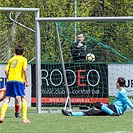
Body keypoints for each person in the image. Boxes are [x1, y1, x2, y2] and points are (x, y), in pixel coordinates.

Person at [62, 77, 133, 116]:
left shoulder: (122, 92)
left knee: (97, 104)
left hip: (114, 109)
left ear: (118, 84)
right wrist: (122, 111)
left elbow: (128, 101)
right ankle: (71, 114)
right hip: (114, 109)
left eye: (116, 82)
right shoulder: (121, 92)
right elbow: (125, 103)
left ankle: (113, 114)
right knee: (91, 112)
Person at [0, 45, 31, 123]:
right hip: (19, 81)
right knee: (23, 98)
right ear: (23, 53)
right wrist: (26, 81)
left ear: (15, 52)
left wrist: (8, 78)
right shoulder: (23, 59)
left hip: (10, 81)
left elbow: (6, 71)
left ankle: (1, 117)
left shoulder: (11, 59)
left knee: (7, 98)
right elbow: (24, 70)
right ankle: (24, 118)